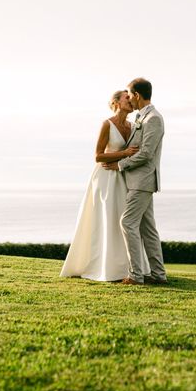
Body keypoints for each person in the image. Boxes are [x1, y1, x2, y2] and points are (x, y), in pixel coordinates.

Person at [60, 90, 150, 281]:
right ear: (116, 102)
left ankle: (129, 268)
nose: (131, 101)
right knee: (108, 219)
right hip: (106, 178)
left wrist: (127, 156)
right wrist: (124, 154)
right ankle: (106, 268)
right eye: (127, 98)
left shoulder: (133, 125)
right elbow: (98, 156)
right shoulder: (107, 124)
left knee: (125, 222)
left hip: (124, 177)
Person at [103, 78, 167, 285]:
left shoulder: (153, 119)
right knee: (148, 230)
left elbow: (147, 153)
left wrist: (120, 165)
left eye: (130, 95)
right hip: (138, 181)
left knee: (127, 222)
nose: (129, 99)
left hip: (143, 181)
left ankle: (136, 276)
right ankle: (158, 275)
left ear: (137, 95)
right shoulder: (143, 117)